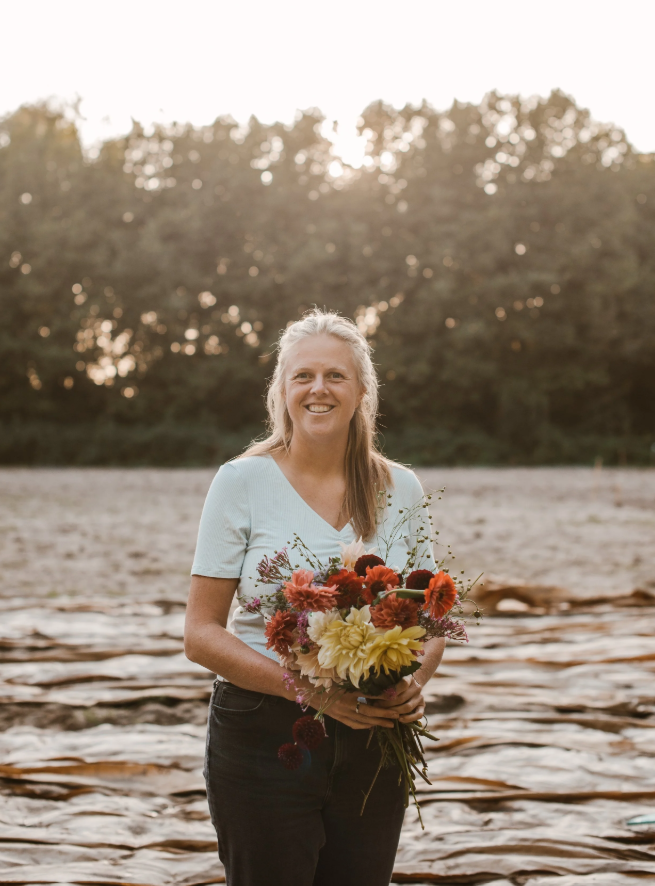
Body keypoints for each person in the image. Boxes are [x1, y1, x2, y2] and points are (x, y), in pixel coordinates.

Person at [184, 309, 445, 886]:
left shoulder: (403, 489)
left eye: (335, 376)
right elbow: (200, 634)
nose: (318, 389)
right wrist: (312, 693)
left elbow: (430, 620)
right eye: (302, 376)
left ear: (361, 393)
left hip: (376, 738)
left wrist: (409, 687)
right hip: (263, 735)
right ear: (280, 390)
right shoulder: (240, 482)